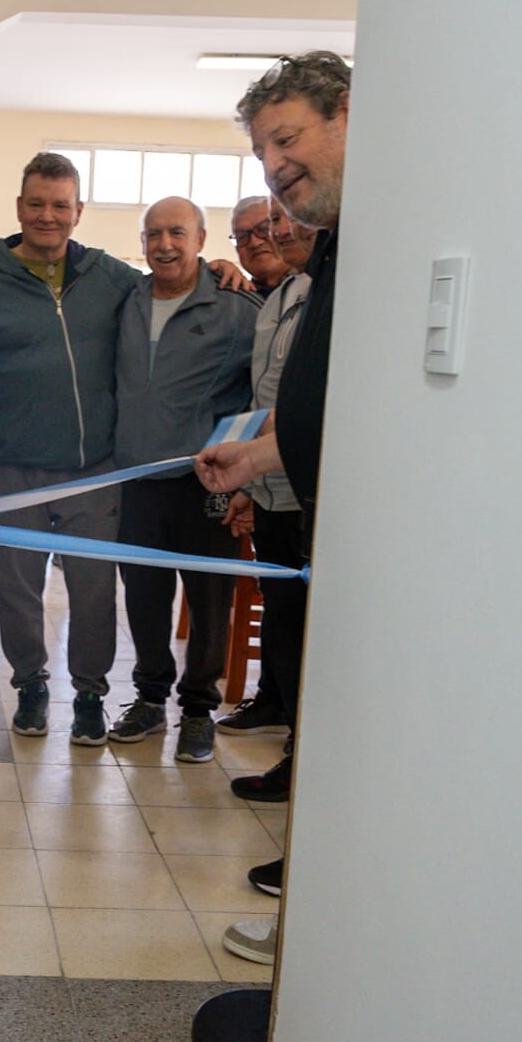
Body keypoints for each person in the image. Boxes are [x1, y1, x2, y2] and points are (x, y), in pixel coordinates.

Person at [194, 49, 352, 968]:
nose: (276, 167)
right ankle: (315, 913)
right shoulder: (332, 248)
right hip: (314, 506)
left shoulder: (385, 236)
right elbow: (320, 406)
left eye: (287, 139)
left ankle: (324, 932)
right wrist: (254, 457)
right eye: (262, 154)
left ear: (348, 115)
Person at [0, 151, 140, 745]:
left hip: (93, 471)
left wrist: (218, 270)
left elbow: (168, 295)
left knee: (94, 592)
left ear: (78, 211)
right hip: (13, 470)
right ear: (20, 207)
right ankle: (30, 685)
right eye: (37, 204)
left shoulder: (110, 277)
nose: (48, 216)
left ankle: (90, 696)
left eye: (60, 205)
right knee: (17, 592)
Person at [109, 197, 261, 762]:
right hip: (137, 478)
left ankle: (198, 710)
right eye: (154, 234)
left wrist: (248, 475)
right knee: (144, 598)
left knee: (209, 600)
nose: (165, 244)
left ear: (201, 240)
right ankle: (149, 700)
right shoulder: (125, 300)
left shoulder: (237, 308)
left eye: (177, 232)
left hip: (207, 484)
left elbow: (266, 388)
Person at [214, 199, 318, 797]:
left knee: (300, 623)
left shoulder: (321, 291)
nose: (262, 238)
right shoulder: (270, 300)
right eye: (245, 235)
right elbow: (263, 397)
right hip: (271, 483)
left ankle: (304, 758)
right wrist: (250, 485)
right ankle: (275, 701)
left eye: (270, 226)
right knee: (279, 610)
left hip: (307, 484)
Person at [229, 195, 292, 295]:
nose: (254, 243)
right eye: (242, 236)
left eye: (264, 229)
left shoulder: (311, 286)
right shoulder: (235, 298)